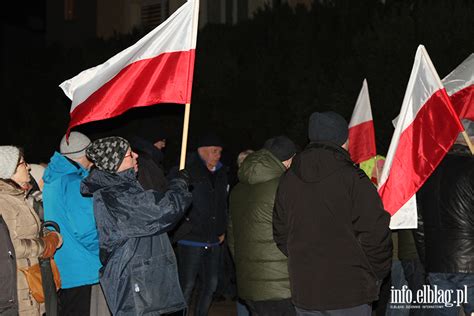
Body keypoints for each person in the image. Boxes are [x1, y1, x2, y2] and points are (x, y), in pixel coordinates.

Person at [273, 111, 392, 316]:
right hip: (350, 291)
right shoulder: (354, 178)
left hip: (306, 289)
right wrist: (376, 272)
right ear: (343, 139)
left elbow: (281, 233)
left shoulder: (288, 179)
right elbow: (375, 231)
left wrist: (303, 259)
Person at [80, 136, 192, 316]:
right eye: (128, 154)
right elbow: (162, 210)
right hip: (136, 284)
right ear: (115, 163)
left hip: (146, 281)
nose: (136, 156)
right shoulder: (115, 195)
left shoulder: (125, 187)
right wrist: (179, 185)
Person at [228, 136, 297, 316]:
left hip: (250, 285)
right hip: (282, 286)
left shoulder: (237, 189)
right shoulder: (286, 187)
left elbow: (232, 238)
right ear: (289, 159)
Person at [414, 119, 474, 316]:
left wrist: (428, 260)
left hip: (437, 262)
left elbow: (419, 224)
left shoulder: (428, 174)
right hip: (470, 264)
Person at [42, 131, 101, 316]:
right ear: (87, 153)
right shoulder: (75, 182)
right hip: (83, 268)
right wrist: (104, 251)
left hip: (63, 267)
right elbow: (86, 229)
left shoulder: (53, 179)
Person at [0, 146, 62, 316]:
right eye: (22, 163)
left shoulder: (18, 197)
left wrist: (48, 234)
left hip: (32, 283)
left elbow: (30, 231)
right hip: (20, 288)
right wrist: (45, 245)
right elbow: (11, 247)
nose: (28, 167)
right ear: (8, 171)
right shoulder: (4, 203)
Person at [174, 134, 229, 316]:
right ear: (202, 151)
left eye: (220, 152)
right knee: (187, 284)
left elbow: (222, 204)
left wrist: (222, 229)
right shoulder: (186, 171)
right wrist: (186, 224)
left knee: (211, 284)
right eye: (215, 151)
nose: (218, 155)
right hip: (191, 238)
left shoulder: (221, 173)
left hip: (213, 238)